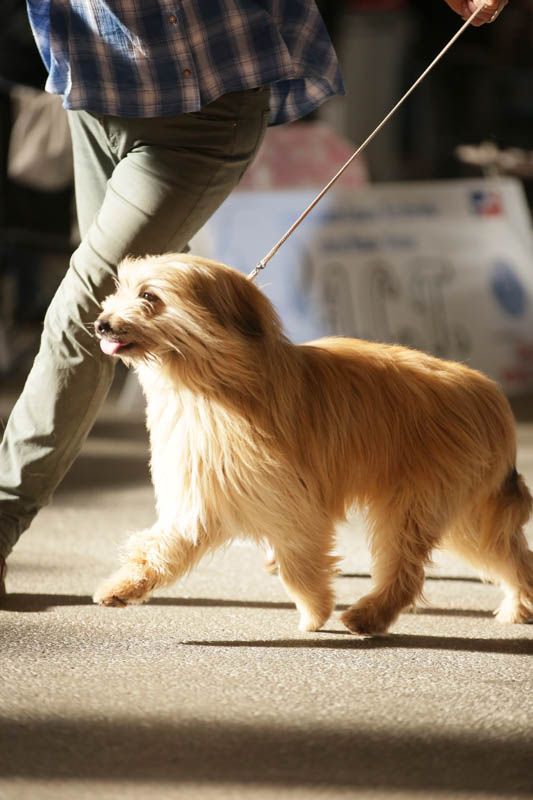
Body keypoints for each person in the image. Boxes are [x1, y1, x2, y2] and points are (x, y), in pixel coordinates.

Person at [0, 0, 508, 594]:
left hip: (203, 98)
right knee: (153, 325)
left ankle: (5, 515)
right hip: (94, 90)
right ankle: (266, 493)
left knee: (89, 310)